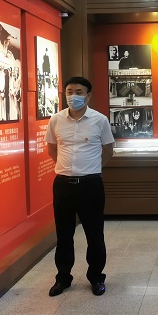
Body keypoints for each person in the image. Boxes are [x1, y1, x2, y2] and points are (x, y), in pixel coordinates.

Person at [46, 76, 115, 297]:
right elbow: (51, 148)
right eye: (69, 91)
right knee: (63, 234)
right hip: (63, 184)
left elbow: (109, 150)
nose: (73, 96)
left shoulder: (100, 120)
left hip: (90, 185)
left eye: (78, 92)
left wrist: (92, 168)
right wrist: (66, 168)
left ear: (88, 96)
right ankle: (63, 278)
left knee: (94, 234)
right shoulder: (56, 119)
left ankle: (96, 277)